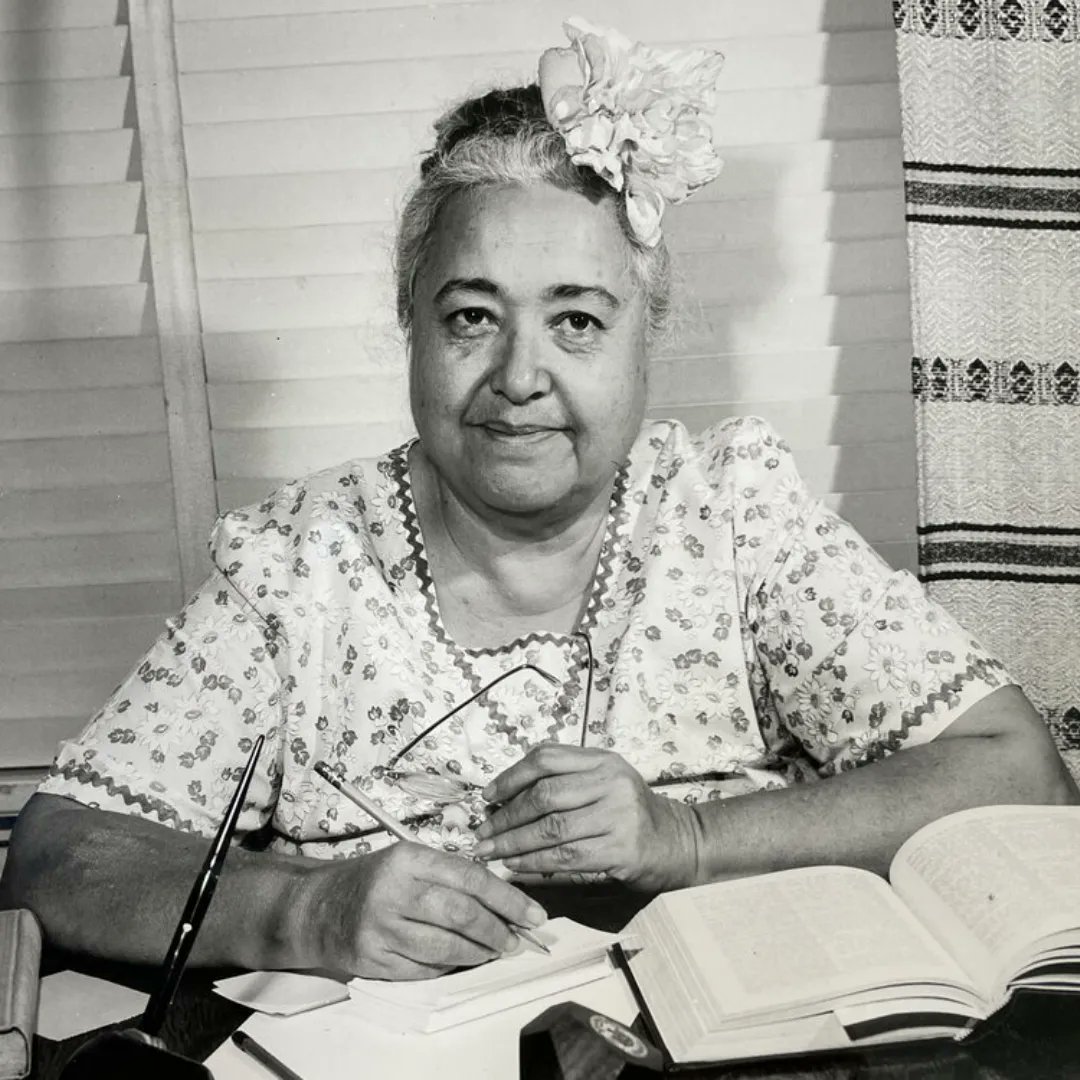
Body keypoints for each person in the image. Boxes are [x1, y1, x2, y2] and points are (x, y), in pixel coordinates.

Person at [2, 20, 1075, 982]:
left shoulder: (733, 518)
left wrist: (689, 838)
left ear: (644, 336)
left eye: (577, 322)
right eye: (473, 316)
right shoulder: (305, 566)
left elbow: (1017, 773)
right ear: (411, 327)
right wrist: (303, 911)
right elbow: (58, 851)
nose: (520, 375)